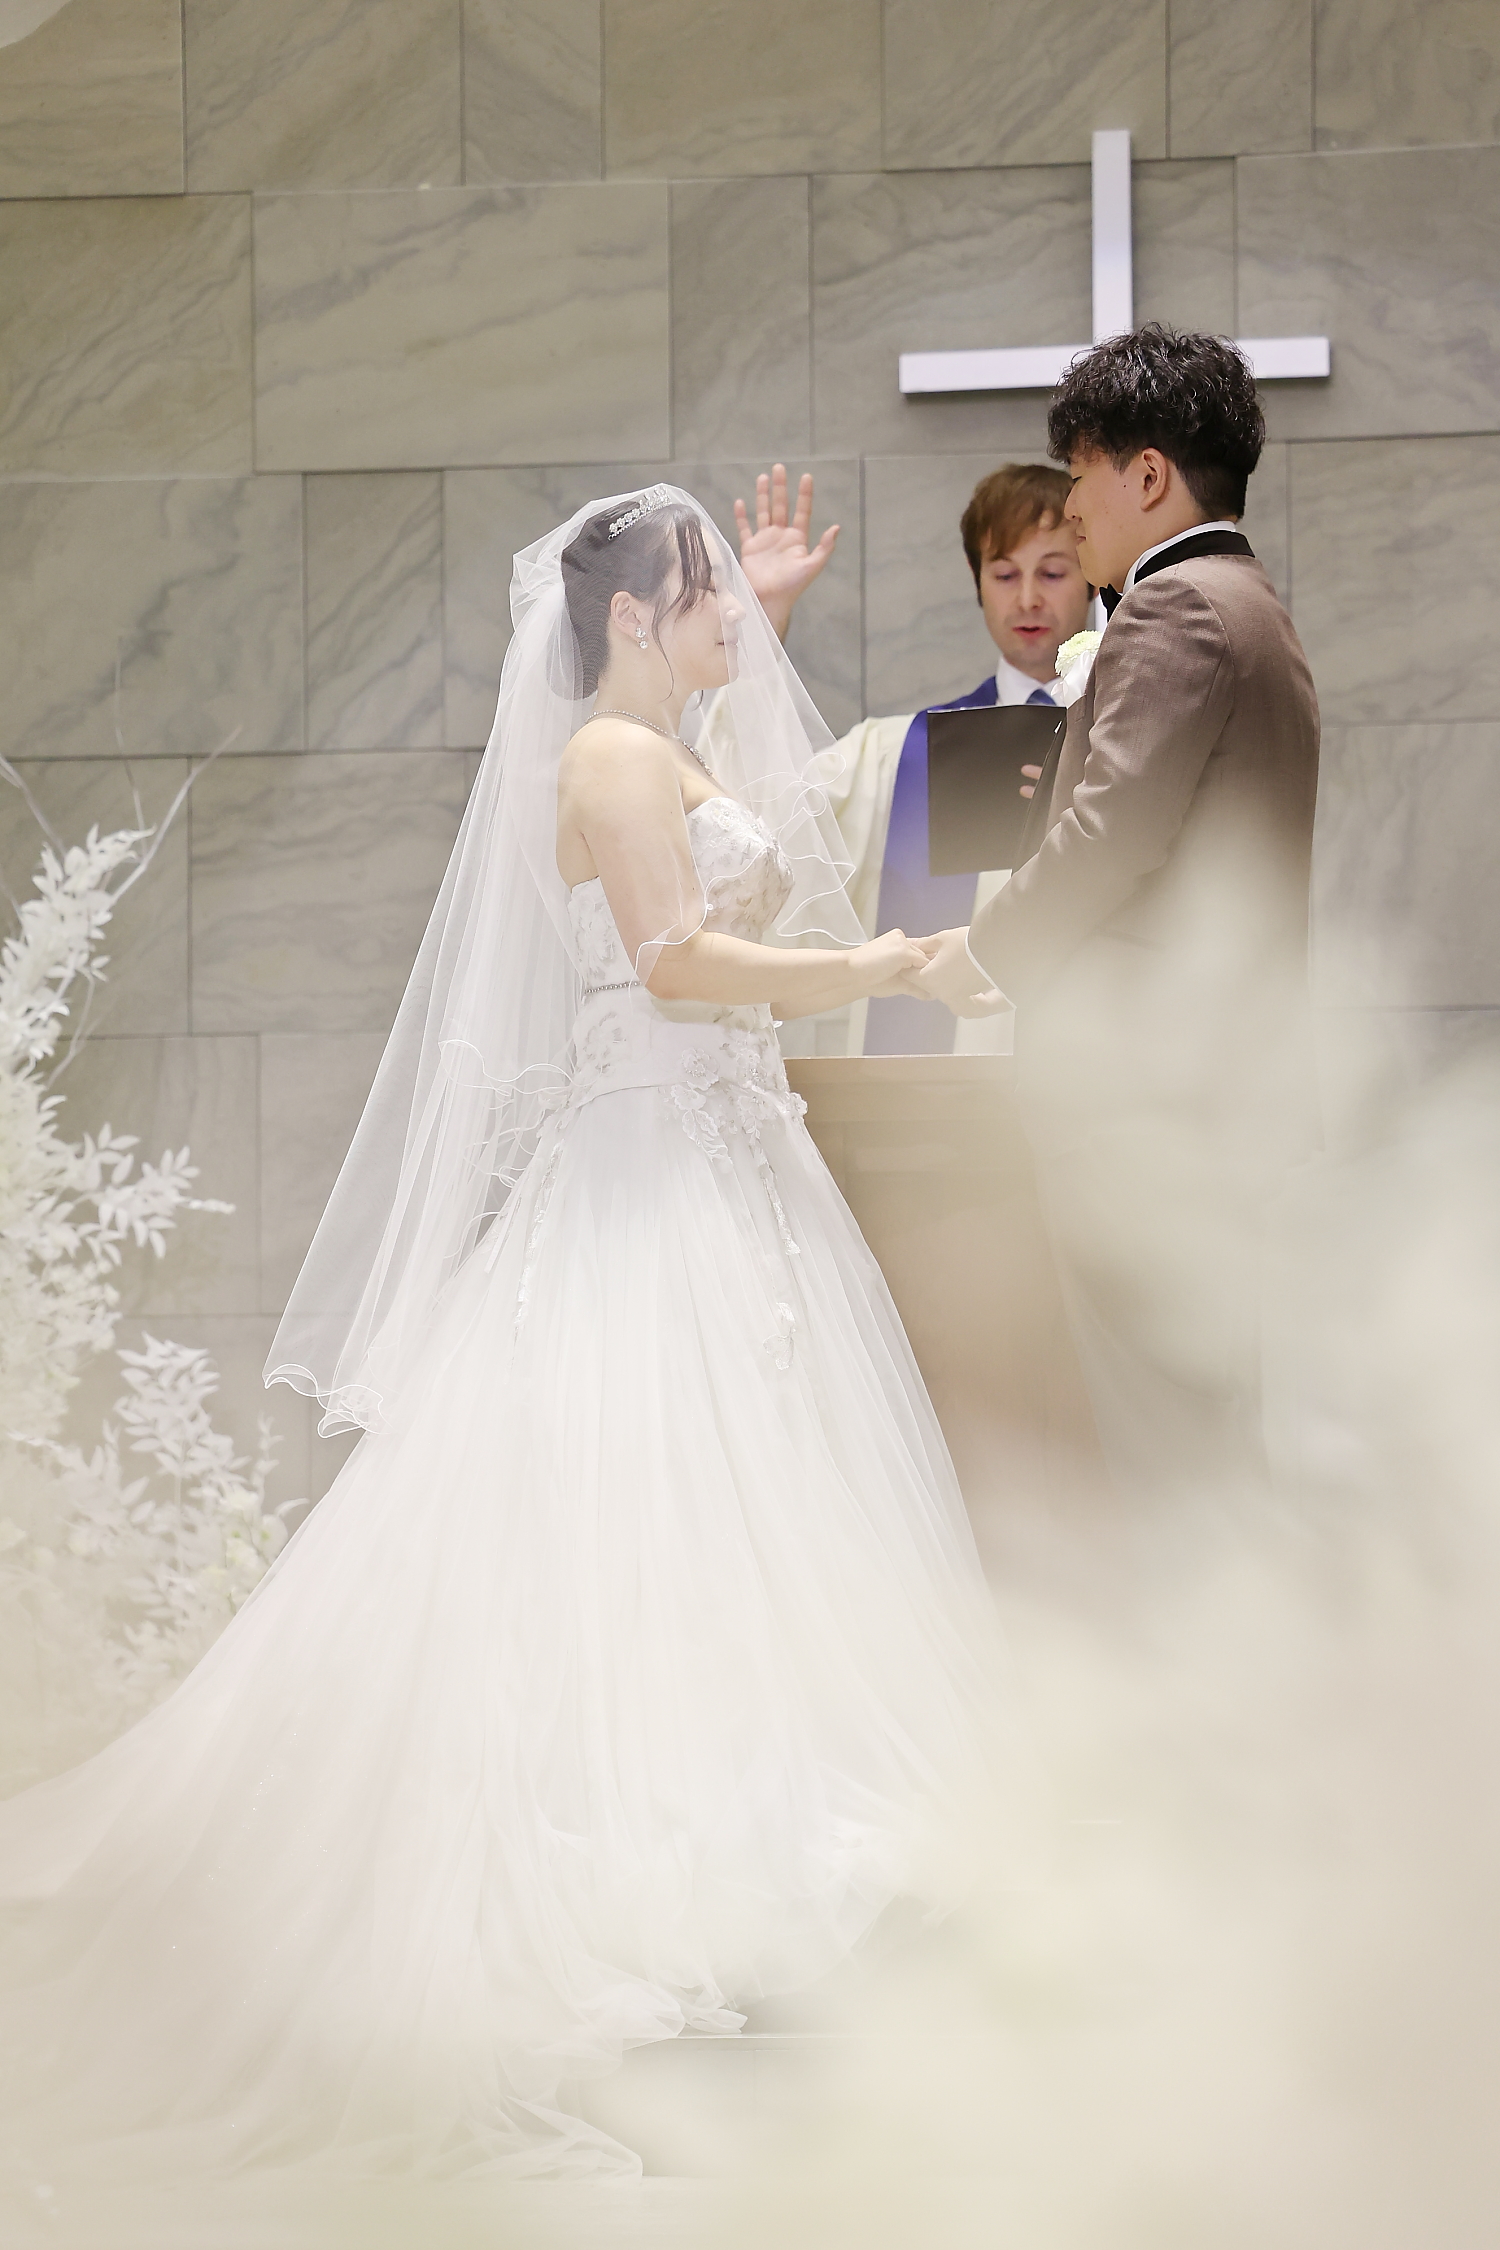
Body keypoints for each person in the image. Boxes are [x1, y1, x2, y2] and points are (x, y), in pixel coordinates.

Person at [0, 488, 1000, 2189]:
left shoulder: (655, 745)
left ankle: (743, 1812)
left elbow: (713, 823)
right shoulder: (605, 758)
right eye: (702, 594)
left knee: (732, 1501)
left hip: (723, 1159)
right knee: (647, 1489)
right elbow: (673, 957)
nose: (726, 618)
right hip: (649, 1169)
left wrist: (758, 610)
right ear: (629, 618)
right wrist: (883, 960)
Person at [911, 327, 1321, 1500]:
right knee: (1195, 1433)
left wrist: (983, 953)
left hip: (1147, 1095)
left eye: (1081, 473)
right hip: (1212, 1081)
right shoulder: (1248, 603)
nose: (1071, 508)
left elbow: (1110, 831)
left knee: (1156, 1444)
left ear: (1147, 476)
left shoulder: (1176, 607)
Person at [712, 462, 1096, 1054]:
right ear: (977, 582)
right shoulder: (896, 756)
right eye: (1003, 573)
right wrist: (760, 621)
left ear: (1091, 575)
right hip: (932, 1087)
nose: (1027, 598)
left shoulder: (1128, 741)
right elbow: (756, 822)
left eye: (1051, 572)